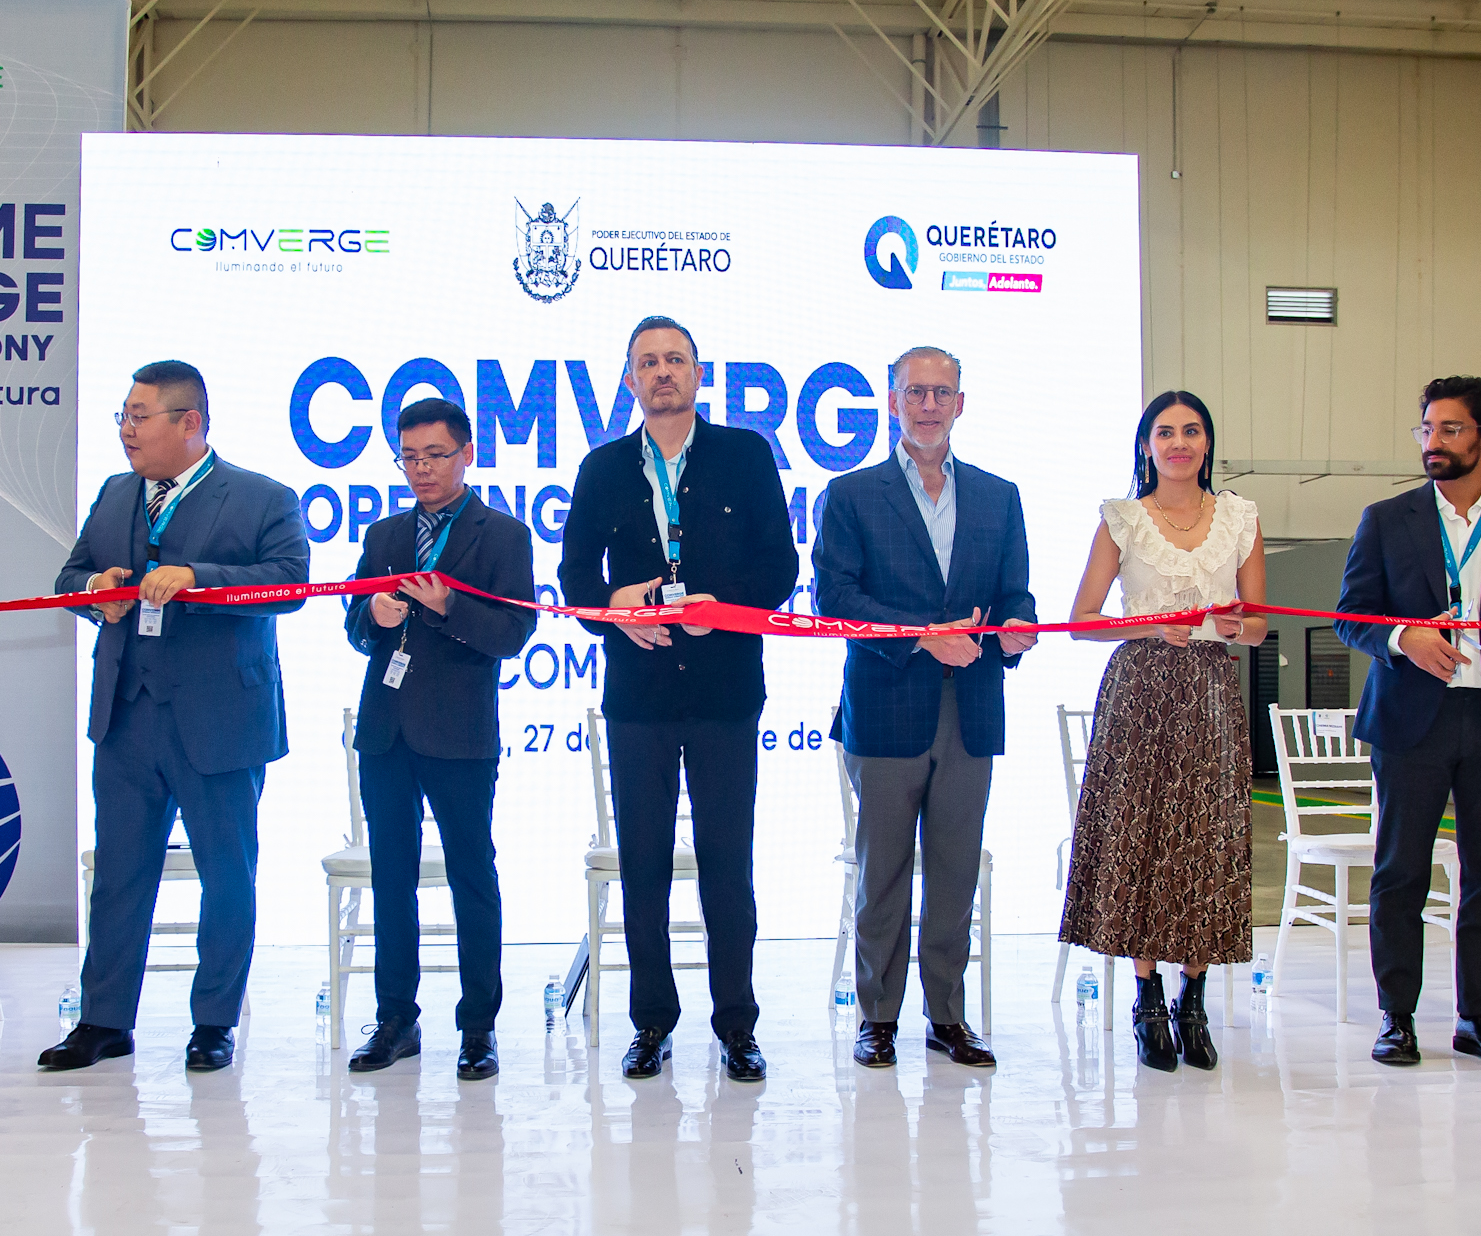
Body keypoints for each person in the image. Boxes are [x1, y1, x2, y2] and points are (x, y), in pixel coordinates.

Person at [40, 360, 309, 1073]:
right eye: (122, 416)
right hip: (127, 717)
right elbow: (68, 579)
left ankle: (213, 1022)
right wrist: (93, 590)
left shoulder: (261, 497)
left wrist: (198, 579)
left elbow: (290, 584)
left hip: (219, 721)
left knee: (227, 876)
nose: (126, 430)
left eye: (139, 416)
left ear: (190, 422)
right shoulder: (114, 493)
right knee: (119, 875)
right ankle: (104, 1020)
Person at [558, 315, 797, 1082]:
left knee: (729, 864)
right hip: (639, 698)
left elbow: (781, 567)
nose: (663, 372)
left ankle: (737, 1026)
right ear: (629, 379)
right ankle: (651, 1022)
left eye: (676, 359)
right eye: (648, 362)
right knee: (645, 866)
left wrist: (722, 606)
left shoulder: (745, 455)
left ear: (698, 373)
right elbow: (574, 579)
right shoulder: (602, 468)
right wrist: (615, 606)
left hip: (727, 692)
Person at [812, 347, 1038, 1073]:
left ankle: (947, 1017)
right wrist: (922, 636)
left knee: (954, 871)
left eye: (942, 392)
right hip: (885, 707)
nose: (930, 404)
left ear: (960, 404)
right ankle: (877, 1018)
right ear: (893, 401)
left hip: (971, 708)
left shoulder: (1000, 496)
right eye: (916, 391)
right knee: (882, 873)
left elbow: (1015, 596)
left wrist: (1019, 628)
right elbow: (835, 601)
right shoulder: (851, 495)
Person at [1336, 376, 1481, 1070]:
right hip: (1412, 720)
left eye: (1450, 429)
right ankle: (1397, 1018)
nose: (1433, 442)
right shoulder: (1386, 518)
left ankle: (1478, 1019)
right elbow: (1351, 616)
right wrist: (1404, 637)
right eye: (1427, 429)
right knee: (1400, 871)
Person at [1056, 391, 1266, 1072]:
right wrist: (1148, 625)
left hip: (1210, 688)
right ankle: (1146, 996)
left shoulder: (1240, 516)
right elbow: (1083, 620)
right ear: (1147, 445)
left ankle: (1192, 997)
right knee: (1142, 834)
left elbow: (1258, 625)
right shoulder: (1122, 519)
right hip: (1140, 688)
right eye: (1166, 431)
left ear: (1207, 442)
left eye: (1192, 430)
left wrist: (1236, 625)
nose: (1179, 442)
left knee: (1206, 835)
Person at [342, 398, 536, 1080]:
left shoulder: (503, 535)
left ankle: (478, 1025)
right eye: (410, 458)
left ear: (467, 454)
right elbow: (354, 629)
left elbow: (513, 634)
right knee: (391, 876)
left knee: (470, 874)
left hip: (459, 731)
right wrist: (371, 613)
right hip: (386, 729)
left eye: (435, 455)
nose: (421, 469)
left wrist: (448, 605)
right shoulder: (385, 534)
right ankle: (396, 1018)